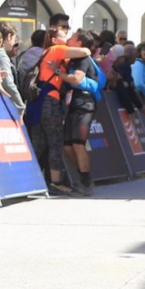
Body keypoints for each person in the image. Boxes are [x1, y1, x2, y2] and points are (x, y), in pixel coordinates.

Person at [29, 27, 92, 195]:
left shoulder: (47, 52)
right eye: (64, 35)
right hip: (50, 100)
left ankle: (30, 181)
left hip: (37, 103)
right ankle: (56, 182)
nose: (68, 37)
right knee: (55, 142)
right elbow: (85, 50)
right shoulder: (58, 49)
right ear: (55, 39)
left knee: (38, 144)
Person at [60, 29, 100, 196]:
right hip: (73, 104)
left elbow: (76, 79)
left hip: (85, 103)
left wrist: (58, 73)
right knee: (67, 146)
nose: (69, 39)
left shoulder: (83, 59)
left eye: (72, 37)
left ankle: (85, 182)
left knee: (78, 144)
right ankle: (85, 178)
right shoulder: (72, 59)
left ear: (79, 43)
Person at [0, 22, 24, 114]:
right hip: (1, 106)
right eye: (14, 39)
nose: (14, 43)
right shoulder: (0, 55)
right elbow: (8, 84)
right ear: (9, 36)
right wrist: (20, 106)